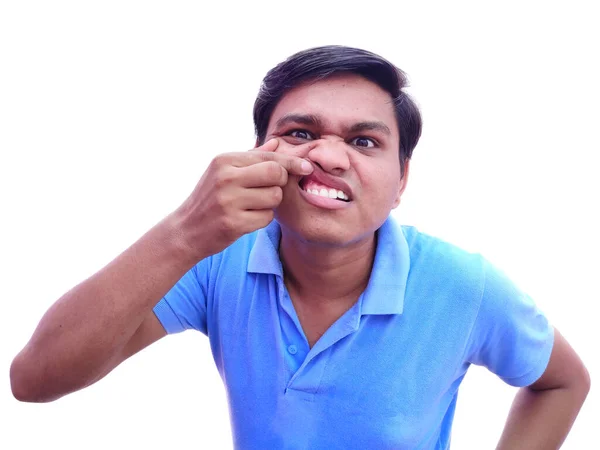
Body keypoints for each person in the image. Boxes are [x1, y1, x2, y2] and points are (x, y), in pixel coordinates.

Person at [10, 45, 590, 449]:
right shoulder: (214, 261)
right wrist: (185, 231)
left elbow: (565, 382)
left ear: (402, 181)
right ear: (257, 153)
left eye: (364, 141)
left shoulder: (465, 285)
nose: (330, 157)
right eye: (301, 134)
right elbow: (35, 380)